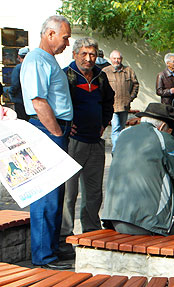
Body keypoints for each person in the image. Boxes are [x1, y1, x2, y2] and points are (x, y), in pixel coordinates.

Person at [20, 15, 73, 270]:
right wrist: (56, 132)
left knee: (56, 193)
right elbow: (38, 101)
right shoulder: (36, 59)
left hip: (55, 128)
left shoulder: (47, 59)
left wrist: (64, 125)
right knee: (45, 194)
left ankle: (51, 247)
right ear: (50, 34)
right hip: (47, 130)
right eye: (65, 37)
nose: (68, 43)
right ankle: (43, 257)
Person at [101, 102, 174, 235]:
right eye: (170, 130)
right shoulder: (163, 138)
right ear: (163, 126)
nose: (170, 133)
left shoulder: (123, 134)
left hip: (114, 219)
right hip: (148, 225)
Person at [59, 37, 114, 259]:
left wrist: (104, 123)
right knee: (69, 194)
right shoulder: (66, 75)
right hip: (74, 143)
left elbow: (109, 101)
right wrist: (65, 125)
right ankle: (64, 238)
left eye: (92, 54)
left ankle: (91, 233)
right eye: (84, 54)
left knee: (93, 193)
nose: (89, 58)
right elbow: (58, 103)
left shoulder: (101, 76)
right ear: (75, 54)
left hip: (95, 142)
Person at [102, 50, 139, 152]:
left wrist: (130, 97)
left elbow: (135, 84)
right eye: (114, 58)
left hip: (124, 105)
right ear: (111, 59)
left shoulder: (128, 70)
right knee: (116, 128)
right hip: (112, 106)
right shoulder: (105, 71)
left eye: (118, 58)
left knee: (121, 128)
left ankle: (120, 149)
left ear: (121, 59)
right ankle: (117, 151)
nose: (116, 61)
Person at [7, 47, 29, 120]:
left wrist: (11, 94)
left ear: (19, 57)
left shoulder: (18, 68)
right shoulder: (33, 66)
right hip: (31, 101)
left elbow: (15, 85)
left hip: (20, 100)